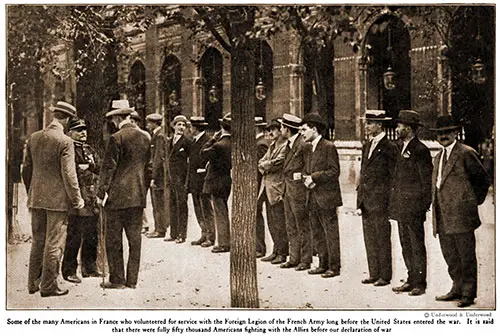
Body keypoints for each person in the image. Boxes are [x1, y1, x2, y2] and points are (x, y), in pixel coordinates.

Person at [22, 101, 84, 297]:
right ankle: (49, 286)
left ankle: (33, 282)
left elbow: (26, 169)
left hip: (36, 198)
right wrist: (77, 199)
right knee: (54, 242)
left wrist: (31, 191)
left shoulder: (34, 137)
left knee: (37, 240)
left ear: (54, 116)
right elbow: (69, 174)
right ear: (66, 119)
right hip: (57, 201)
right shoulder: (65, 141)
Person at [431, 115, 490, 308]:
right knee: (450, 255)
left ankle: (468, 293)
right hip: (442, 215)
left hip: (462, 215)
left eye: (447, 132)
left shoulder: (465, 153)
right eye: (440, 133)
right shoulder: (438, 157)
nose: (443, 136)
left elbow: (482, 180)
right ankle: (456, 288)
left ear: (456, 132)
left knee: (466, 256)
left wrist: (470, 202)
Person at [97, 105, 151, 289]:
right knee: (135, 240)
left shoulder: (116, 138)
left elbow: (108, 169)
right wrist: (143, 190)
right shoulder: (146, 137)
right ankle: (132, 281)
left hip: (117, 198)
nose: (113, 123)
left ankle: (117, 279)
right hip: (137, 197)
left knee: (114, 239)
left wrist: (100, 193)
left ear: (118, 119)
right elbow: (148, 169)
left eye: (113, 120)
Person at [389, 110, 433, 296]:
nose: (397, 128)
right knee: (405, 244)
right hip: (400, 205)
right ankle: (410, 278)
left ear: (408, 128)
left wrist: (422, 205)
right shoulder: (400, 147)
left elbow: (425, 181)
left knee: (416, 245)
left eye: (399, 125)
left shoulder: (420, 150)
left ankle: (419, 283)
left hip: (413, 207)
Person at [357, 110, 398, 287]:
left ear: (379, 125)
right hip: (366, 200)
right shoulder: (367, 145)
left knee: (382, 238)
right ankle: (374, 272)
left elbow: (393, 176)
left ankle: (385, 275)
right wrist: (359, 199)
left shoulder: (390, 147)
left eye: (369, 123)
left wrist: (389, 201)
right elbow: (363, 172)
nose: (366, 127)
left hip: (380, 200)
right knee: (370, 238)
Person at [301, 113, 342, 278]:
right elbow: (306, 169)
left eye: (304, 130)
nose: (302, 133)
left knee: (330, 233)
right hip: (312, 195)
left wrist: (314, 178)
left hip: (327, 198)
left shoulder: (328, 146)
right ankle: (322, 264)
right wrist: (307, 179)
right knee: (317, 232)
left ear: (314, 129)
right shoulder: (308, 147)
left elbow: (334, 171)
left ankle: (334, 267)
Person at [61, 118, 102, 284]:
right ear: (70, 132)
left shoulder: (88, 149)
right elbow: (69, 172)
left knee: (92, 233)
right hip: (77, 197)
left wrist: (91, 167)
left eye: (84, 129)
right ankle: (69, 270)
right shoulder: (68, 149)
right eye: (78, 130)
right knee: (75, 234)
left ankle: (89, 267)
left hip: (91, 197)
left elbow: (99, 166)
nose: (83, 133)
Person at [279, 113, 312, 271]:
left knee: (302, 226)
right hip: (288, 190)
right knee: (290, 225)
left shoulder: (303, 144)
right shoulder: (288, 144)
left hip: (298, 191)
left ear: (287, 129)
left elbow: (308, 166)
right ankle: (294, 258)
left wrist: (300, 177)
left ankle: (305, 260)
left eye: (282, 127)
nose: (280, 130)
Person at [258, 119, 288, 264]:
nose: (270, 132)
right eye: (269, 130)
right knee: (271, 220)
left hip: (277, 188)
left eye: (274, 129)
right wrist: (265, 165)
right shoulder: (272, 146)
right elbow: (262, 162)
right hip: (267, 187)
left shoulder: (284, 146)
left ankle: (282, 252)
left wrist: (265, 165)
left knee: (279, 222)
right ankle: (275, 250)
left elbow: (277, 163)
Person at [201, 113, 232, 253]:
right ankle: (225, 241)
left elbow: (203, 153)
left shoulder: (219, 145)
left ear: (221, 128)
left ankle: (224, 243)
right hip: (226, 180)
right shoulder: (233, 143)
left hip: (216, 181)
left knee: (220, 212)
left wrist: (212, 139)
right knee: (223, 210)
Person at [164, 115, 192, 244]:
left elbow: (190, 161)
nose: (181, 127)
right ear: (173, 126)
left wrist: (186, 180)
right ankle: (173, 233)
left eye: (183, 125)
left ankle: (182, 234)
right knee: (172, 205)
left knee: (182, 206)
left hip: (181, 179)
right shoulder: (169, 141)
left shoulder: (187, 141)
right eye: (179, 124)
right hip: (171, 178)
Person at [187, 116, 215, 247]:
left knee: (206, 208)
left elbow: (210, 161)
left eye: (191, 127)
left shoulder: (207, 141)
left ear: (195, 128)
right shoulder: (194, 141)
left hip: (203, 180)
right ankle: (203, 233)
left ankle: (211, 236)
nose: (190, 129)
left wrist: (203, 171)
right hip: (194, 181)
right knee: (198, 208)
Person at [145, 113, 168, 239]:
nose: (148, 125)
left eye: (149, 123)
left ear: (154, 123)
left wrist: (153, 176)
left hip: (158, 175)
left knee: (158, 202)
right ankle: (159, 228)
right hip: (158, 174)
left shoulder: (159, 136)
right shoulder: (158, 134)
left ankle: (160, 229)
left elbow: (158, 158)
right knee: (156, 202)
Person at [255, 116, 270, 258]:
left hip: (259, 185)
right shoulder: (258, 142)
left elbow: (259, 167)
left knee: (257, 215)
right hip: (256, 184)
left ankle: (260, 247)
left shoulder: (261, 144)